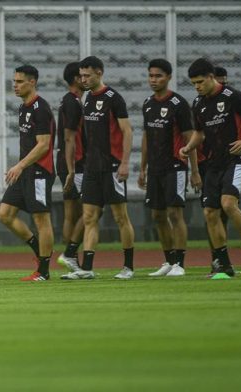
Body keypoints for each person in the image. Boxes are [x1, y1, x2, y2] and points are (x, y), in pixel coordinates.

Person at [179, 58, 241, 278]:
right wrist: (188, 147)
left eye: (199, 82)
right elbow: (200, 132)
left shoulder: (232, 96)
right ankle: (224, 265)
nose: (197, 86)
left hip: (236, 160)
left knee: (228, 203)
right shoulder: (198, 103)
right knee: (210, 212)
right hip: (213, 163)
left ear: (210, 77)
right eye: (193, 83)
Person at [62, 56, 136, 280]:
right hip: (92, 167)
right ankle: (87, 268)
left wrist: (124, 162)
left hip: (112, 166)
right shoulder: (87, 100)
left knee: (120, 217)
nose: (83, 79)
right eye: (81, 76)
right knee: (89, 218)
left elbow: (127, 131)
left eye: (87, 75)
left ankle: (128, 267)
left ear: (99, 73)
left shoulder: (114, 98)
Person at [138, 59, 200, 277]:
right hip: (155, 168)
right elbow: (146, 136)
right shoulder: (148, 103)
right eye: (151, 75)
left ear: (169, 77)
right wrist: (143, 168)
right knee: (157, 215)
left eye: (158, 76)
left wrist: (194, 171)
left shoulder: (178, 104)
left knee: (175, 213)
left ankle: (180, 264)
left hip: (175, 166)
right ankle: (168, 260)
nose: (153, 80)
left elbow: (189, 139)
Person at [0, 65, 56, 282]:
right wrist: (21, 167)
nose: (15, 85)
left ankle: (44, 271)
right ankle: (39, 252)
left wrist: (20, 165)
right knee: (5, 214)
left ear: (32, 82)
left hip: (39, 172)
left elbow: (43, 145)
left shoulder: (41, 109)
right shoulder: (24, 108)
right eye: (14, 81)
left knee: (42, 220)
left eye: (20, 81)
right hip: (25, 171)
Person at [56, 61, 85, 273]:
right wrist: (72, 169)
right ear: (76, 79)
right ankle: (70, 254)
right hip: (74, 162)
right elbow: (69, 138)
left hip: (64, 161)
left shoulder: (66, 101)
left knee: (71, 213)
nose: (85, 78)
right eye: (82, 75)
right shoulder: (74, 103)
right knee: (91, 210)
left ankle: (70, 259)